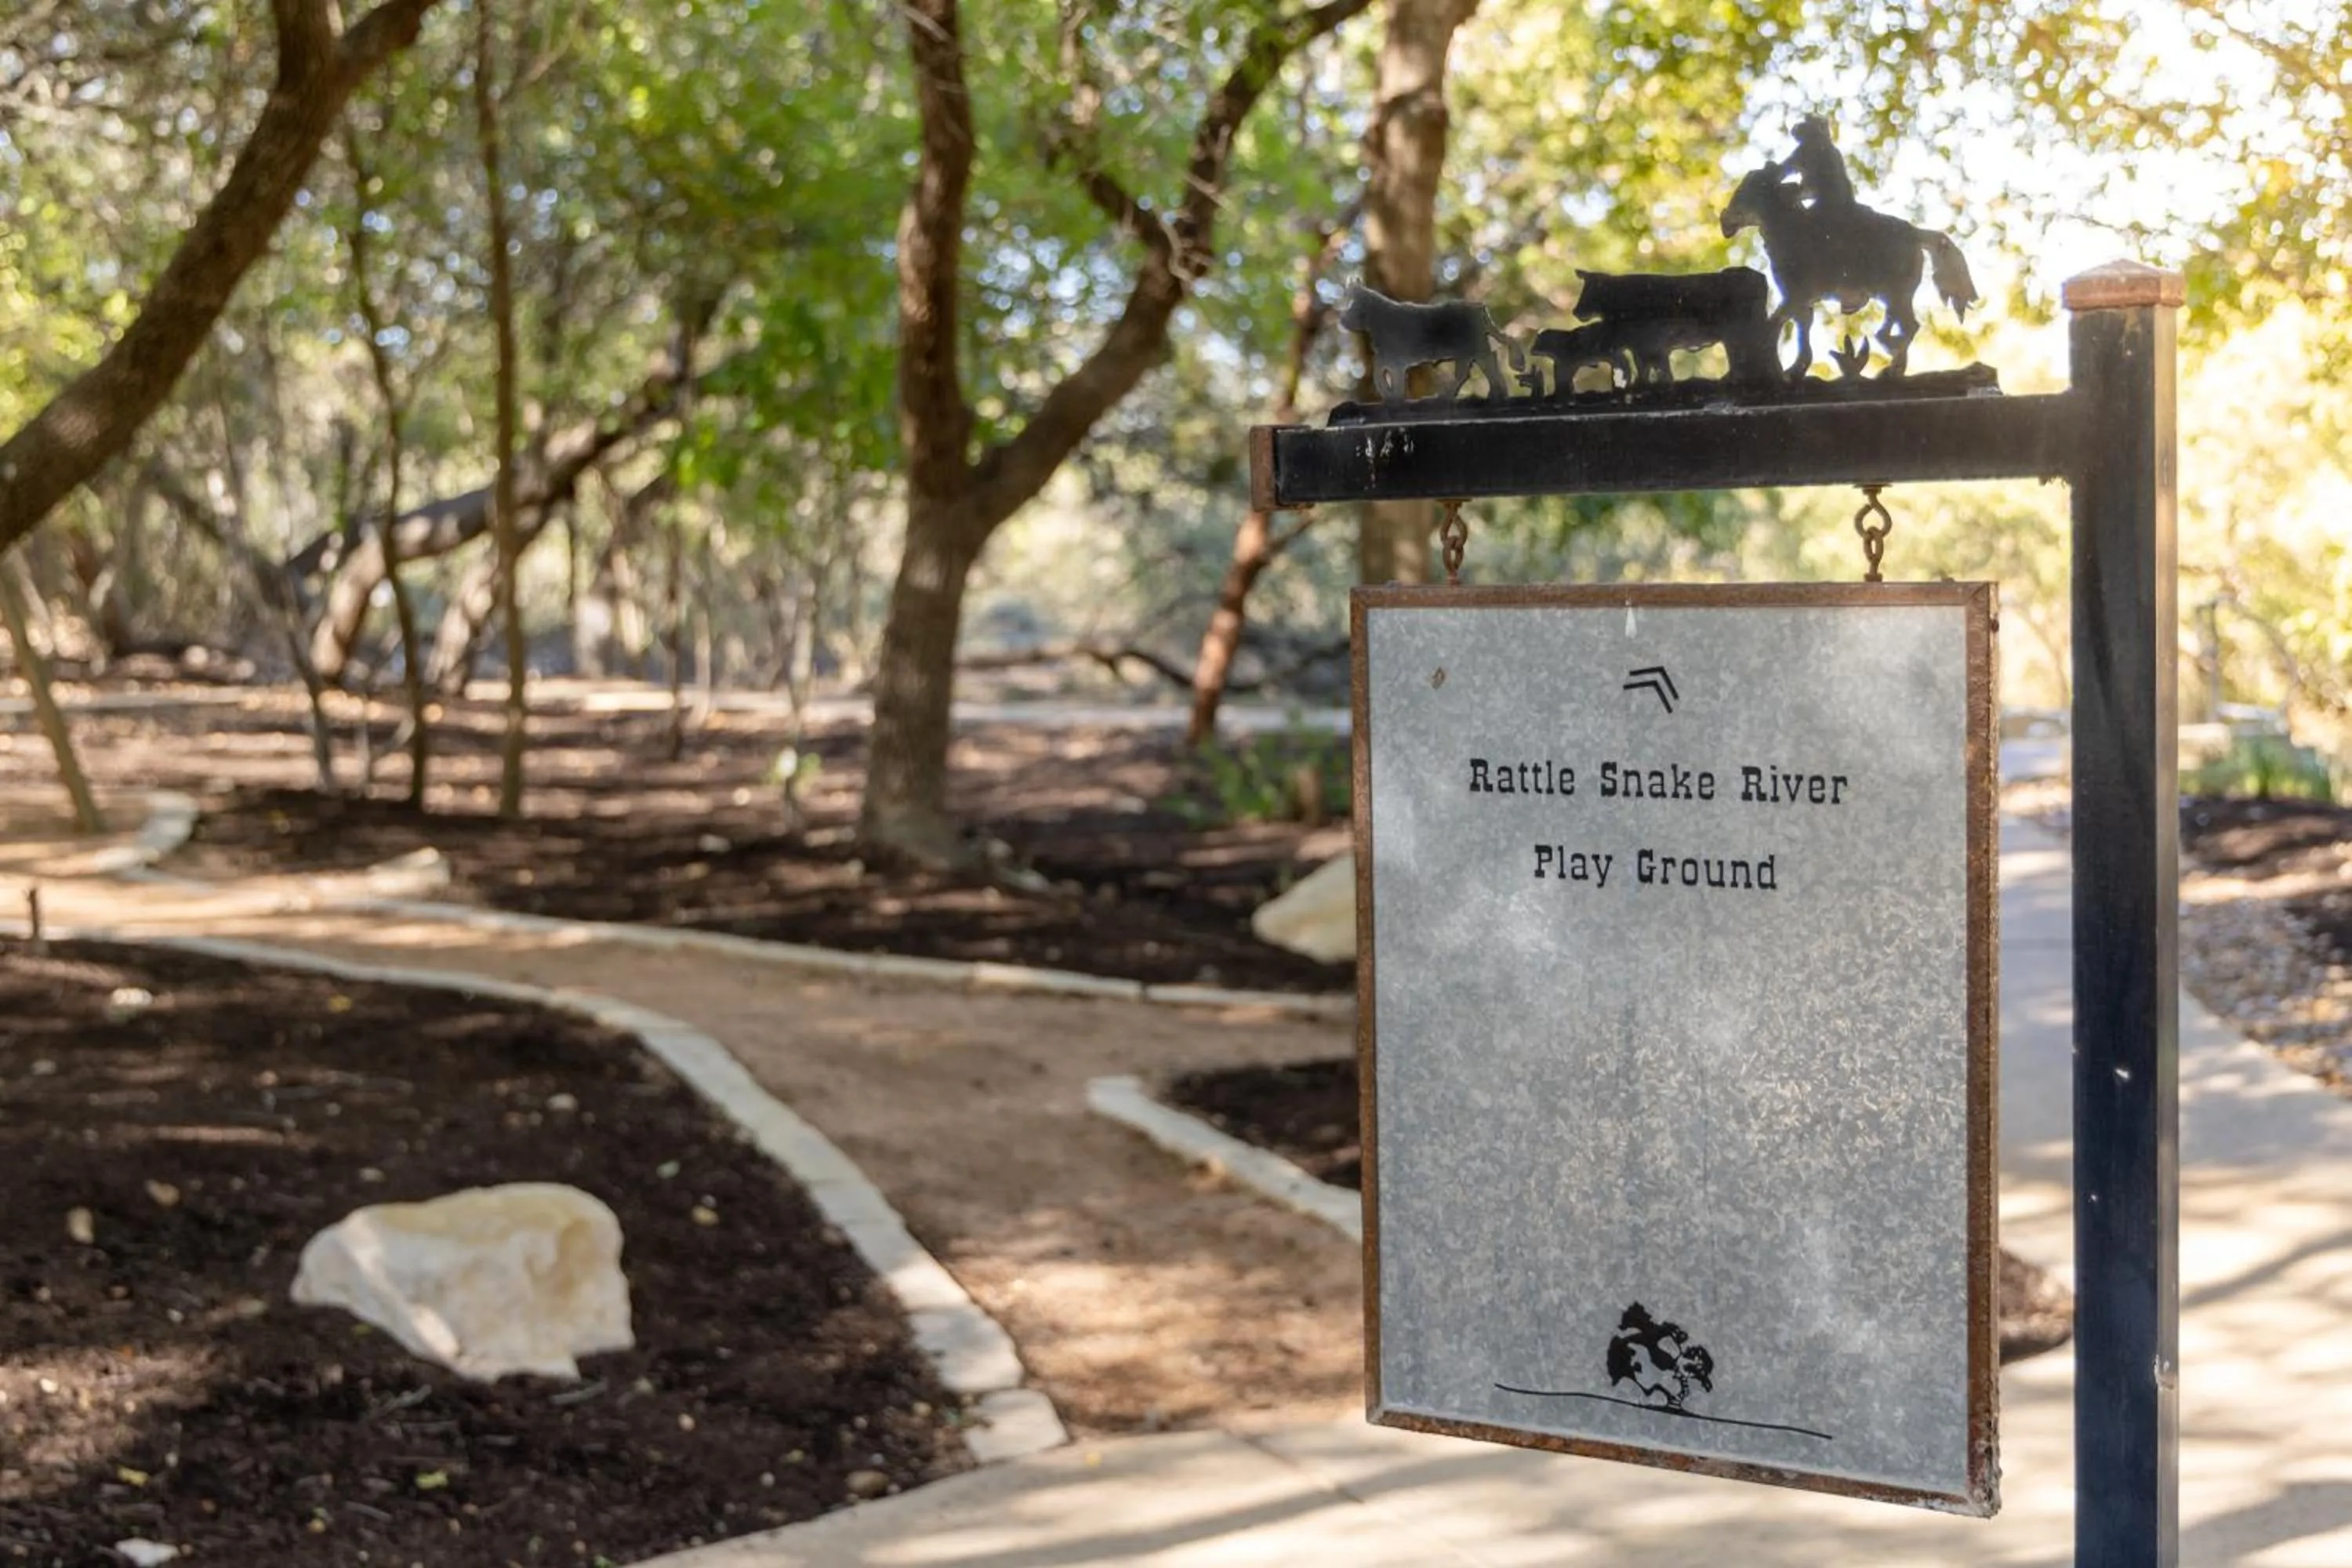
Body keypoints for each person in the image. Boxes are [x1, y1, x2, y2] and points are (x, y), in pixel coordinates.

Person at [1770, 114, 1856, 215]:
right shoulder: (1808, 150)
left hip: (1833, 204)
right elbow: (1783, 170)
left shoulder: (1811, 150)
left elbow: (1782, 171)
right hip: (1835, 202)